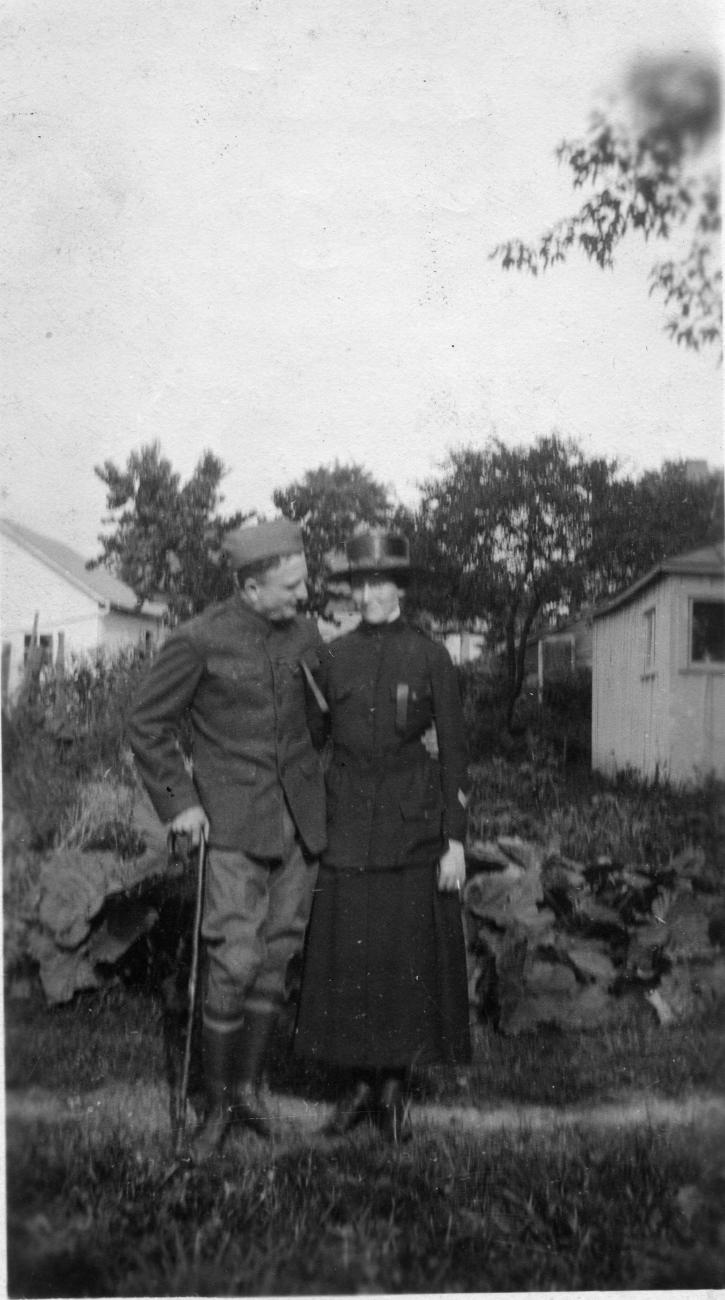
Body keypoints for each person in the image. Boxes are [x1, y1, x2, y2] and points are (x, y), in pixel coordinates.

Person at [128, 518, 327, 1161]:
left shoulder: (305, 631)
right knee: (233, 960)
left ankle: (248, 1090)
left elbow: (318, 716)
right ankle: (215, 1103)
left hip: (299, 825)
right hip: (235, 826)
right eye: (292, 585)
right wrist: (180, 804)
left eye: (304, 581)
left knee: (276, 956)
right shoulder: (198, 640)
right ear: (249, 587)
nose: (304, 594)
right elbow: (146, 723)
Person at [294, 529, 471, 1142]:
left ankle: (393, 1088)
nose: (369, 593)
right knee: (351, 957)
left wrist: (456, 839)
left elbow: (453, 752)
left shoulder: (430, 656)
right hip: (346, 827)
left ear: (400, 587)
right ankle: (358, 1086)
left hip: (410, 829)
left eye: (380, 582)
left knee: (400, 960)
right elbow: (308, 744)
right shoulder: (332, 658)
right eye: (360, 583)